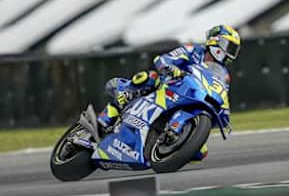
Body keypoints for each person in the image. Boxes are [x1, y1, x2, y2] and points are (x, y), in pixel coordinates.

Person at [96, 24, 241, 162]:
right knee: (149, 78)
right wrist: (171, 68)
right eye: (229, 47)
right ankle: (122, 97)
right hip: (169, 85)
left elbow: (222, 95)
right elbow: (162, 59)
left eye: (234, 50)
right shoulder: (193, 50)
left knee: (200, 153)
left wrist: (224, 114)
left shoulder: (224, 75)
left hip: (193, 98)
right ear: (215, 41)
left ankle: (166, 145)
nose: (230, 53)